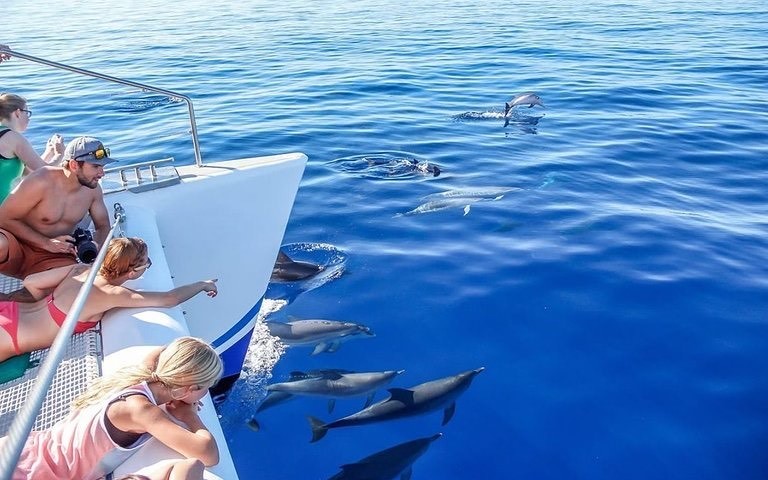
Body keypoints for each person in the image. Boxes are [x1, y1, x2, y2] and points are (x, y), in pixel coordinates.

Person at [6, 336, 222, 480]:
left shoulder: (140, 375)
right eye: (206, 387)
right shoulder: (141, 410)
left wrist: (179, 390)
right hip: (36, 473)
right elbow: (208, 455)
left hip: (24, 450)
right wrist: (190, 415)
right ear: (190, 389)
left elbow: (159, 352)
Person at [0, 237, 218, 362]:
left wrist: (43, 306)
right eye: (146, 263)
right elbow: (169, 299)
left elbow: (31, 282)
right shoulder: (111, 294)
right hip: (10, 337)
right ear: (133, 272)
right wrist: (202, 284)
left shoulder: (80, 269)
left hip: (9, 312)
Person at [0, 135, 113, 279]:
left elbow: (103, 226)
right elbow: (3, 218)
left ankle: (13, 298)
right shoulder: (41, 180)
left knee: (72, 283)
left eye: (102, 167)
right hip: (18, 247)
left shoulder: (93, 190)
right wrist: (46, 243)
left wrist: (96, 245)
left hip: (56, 255)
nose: (102, 173)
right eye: (96, 166)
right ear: (74, 165)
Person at [0, 92, 65, 201]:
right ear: (18, 113)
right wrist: (60, 154)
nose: (29, 118)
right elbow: (44, 172)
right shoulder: (13, 138)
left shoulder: (5, 136)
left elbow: (29, 174)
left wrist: (49, 152)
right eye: (27, 112)